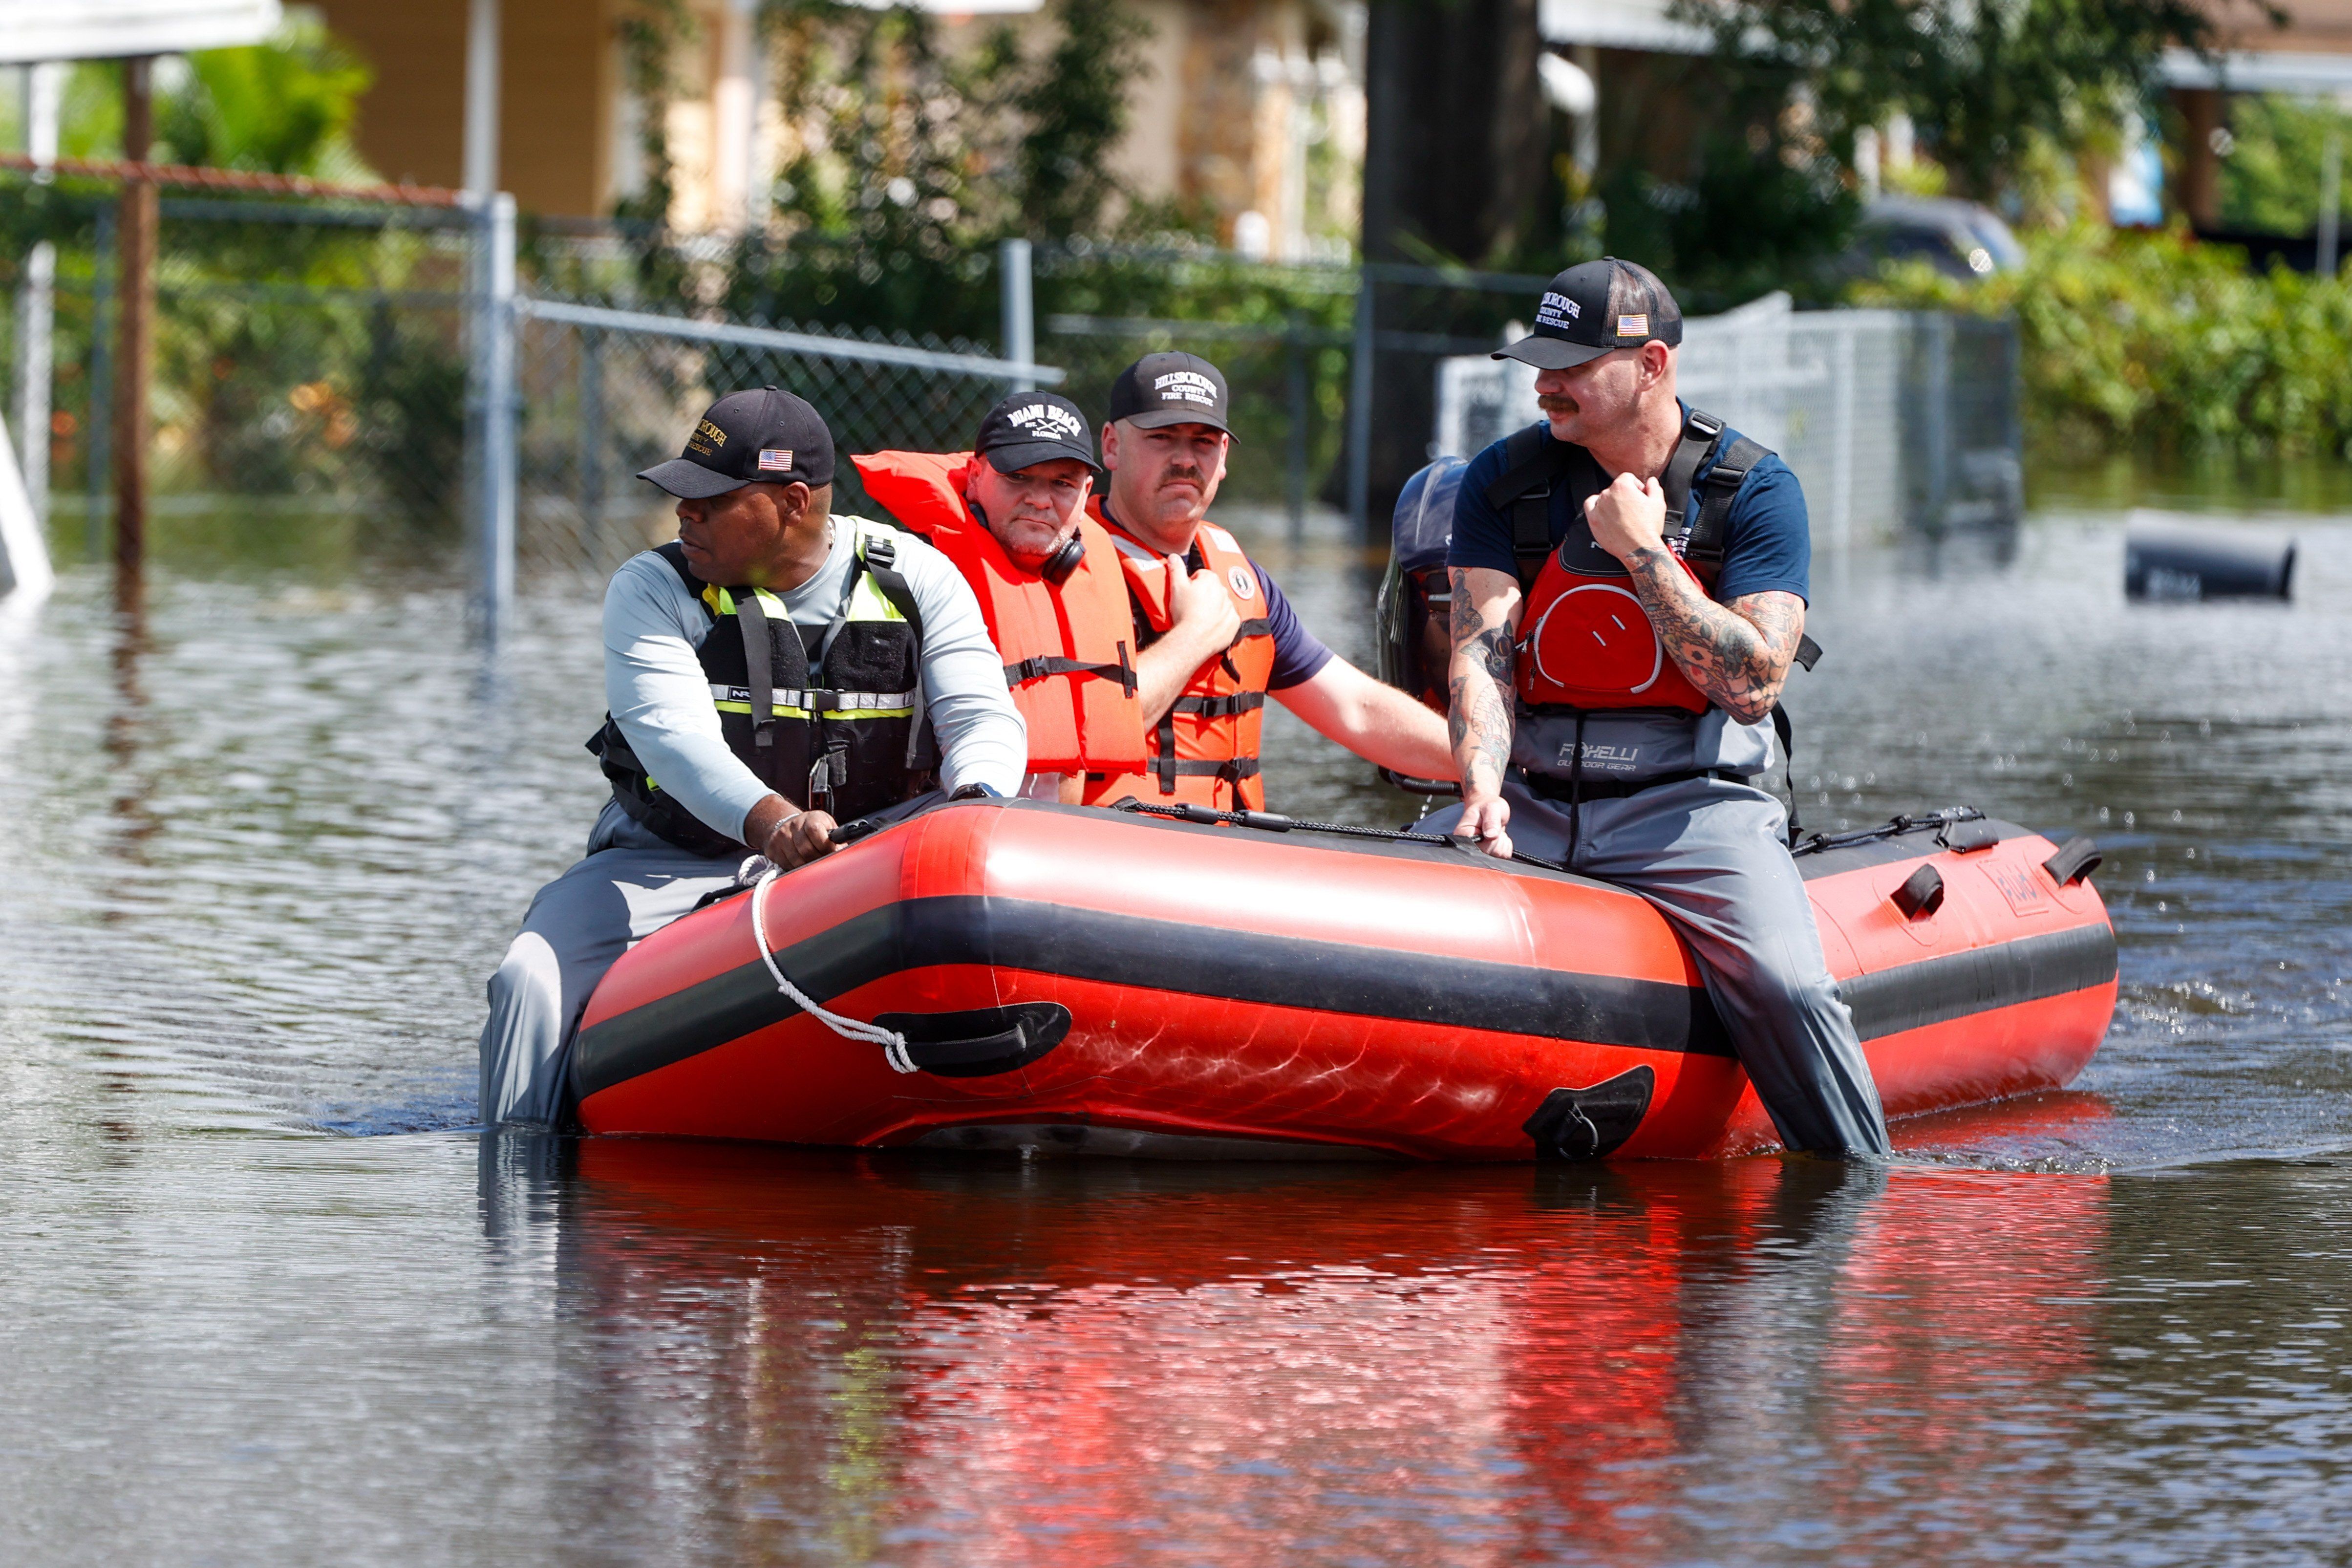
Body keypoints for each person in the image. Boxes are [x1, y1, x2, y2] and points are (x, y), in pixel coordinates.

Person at [1434, 257, 1889, 1159]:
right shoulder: (1500, 480)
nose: (1542, 383)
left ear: (1649, 365)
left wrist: (1643, 553)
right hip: (1528, 796)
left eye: (1568, 364)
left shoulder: (1753, 490)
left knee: (1789, 987)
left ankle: (1852, 1189)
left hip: (1691, 807)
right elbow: (1481, 650)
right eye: (1537, 361)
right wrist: (1480, 783)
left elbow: (1753, 684)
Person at [477, 386, 1026, 1127]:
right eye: (683, 497)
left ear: (793, 502)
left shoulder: (916, 578)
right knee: (527, 980)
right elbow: (673, 739)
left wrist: (974, 807)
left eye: (711, 500)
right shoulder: (653, 586)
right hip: (662, 861)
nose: (685, 514)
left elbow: (981, 717)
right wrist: (774, 825)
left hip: (862, 871)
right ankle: (517, 1185)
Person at [1089, 351, 1454, 810]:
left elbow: (1355, 709)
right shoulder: (1062, 566)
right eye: (1162, 438)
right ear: (1111, 446)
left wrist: (1491, 764)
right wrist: (1197, 635)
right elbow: (1085, 731)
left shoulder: (1242, 579)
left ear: (1223, 457)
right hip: (1106, 856)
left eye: (1204, 442)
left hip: (1225, 858)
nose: (1184, 459)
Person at [850, 391, 1148, 803]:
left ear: (1086, 492)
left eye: (1062, 483)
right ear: (975, 476)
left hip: (1055, 835)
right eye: (1018, 477)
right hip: (943, 816)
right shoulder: (908, 581)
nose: (1039, 500)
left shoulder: (1106, 580)